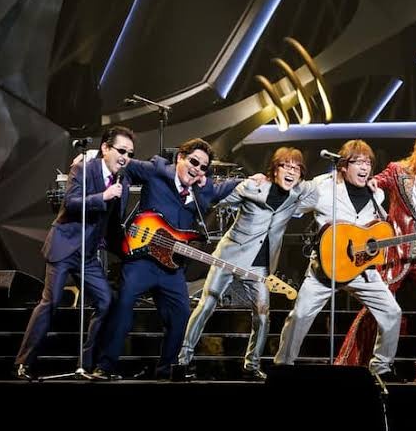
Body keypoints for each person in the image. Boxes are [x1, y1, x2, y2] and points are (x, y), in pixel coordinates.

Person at [91, 138, 244, 380]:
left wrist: (251, 179)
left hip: (171, 268)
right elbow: (123, 163)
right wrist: (92, 157)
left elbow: (222, 189)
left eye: (203, 167)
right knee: (123, 305)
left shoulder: (202, 190)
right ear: (180, 158)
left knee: (181, 314)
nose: (197, 169)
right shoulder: (156, 171)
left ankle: (167, 370)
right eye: (193, 161)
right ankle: (105, 366)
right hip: (141, 261)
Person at [172, 147, 318, 381]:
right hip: (229, 256)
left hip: (259, 265)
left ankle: (251, 366)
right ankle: (182, 360)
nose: (291, 172)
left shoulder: (296, 194)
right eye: (286, 166)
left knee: (262, 314)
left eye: (296, 168)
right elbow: (218, 199)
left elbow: (320, 187)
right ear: (274, 169)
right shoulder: (252, 186)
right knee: (207, 304)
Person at [334, 127, 416, 382]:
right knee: (376, 307)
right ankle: (348, 363)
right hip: (397, 252)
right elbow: (379, 180)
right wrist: (374, 182)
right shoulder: (399, 170)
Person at [273, 140, 402, 382]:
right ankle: (283, 367)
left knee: (392, 312)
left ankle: (382, 368)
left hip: (361, 271)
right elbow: (293, 207)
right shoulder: (323, 187)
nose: (365, 167)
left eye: (368, 163)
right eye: (358, 162)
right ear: (343, 165)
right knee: (299, 316)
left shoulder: (377, 194)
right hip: (325, 270)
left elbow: (374, 230)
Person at [14, 126, 135, 380]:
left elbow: (113, 226)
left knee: (105, 301)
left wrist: (129, 252)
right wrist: (103, 196)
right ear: (105, 148)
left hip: (87, 256)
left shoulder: (123, 183)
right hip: (64, 246)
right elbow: (70, 203)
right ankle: (24, 363)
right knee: (51, 301)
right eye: (121, 151)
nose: (125, 157)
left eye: (130, 154)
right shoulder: (84, 169)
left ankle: (87, 364)